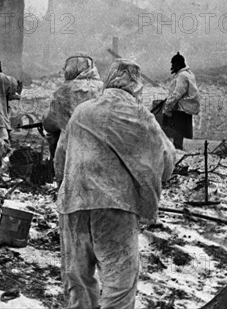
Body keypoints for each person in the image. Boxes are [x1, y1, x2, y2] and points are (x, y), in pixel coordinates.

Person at [55, 58, 176, 309]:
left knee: (77, 279)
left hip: (73, 204)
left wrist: (65, 187)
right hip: (114, 208)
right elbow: (165, 159)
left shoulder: (82, 111)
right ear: (136, 86)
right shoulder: (139, 115)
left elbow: (61, 156)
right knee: (119, 285)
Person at [42, 53, 103, 162]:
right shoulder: (105, 89)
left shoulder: (64, 90)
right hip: (101, 148)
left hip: (71, 152)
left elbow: (50, 125)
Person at [162, 52, 200, 150]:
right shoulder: (189, 74)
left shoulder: (182, 76)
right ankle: (178, 150)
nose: (172, 66)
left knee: (177, 133)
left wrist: (167, 107)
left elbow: (177, 94)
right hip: (185, 109)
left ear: (178, 64)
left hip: (180, 109)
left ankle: (177, 152)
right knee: (180, 134)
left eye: (173, 64)